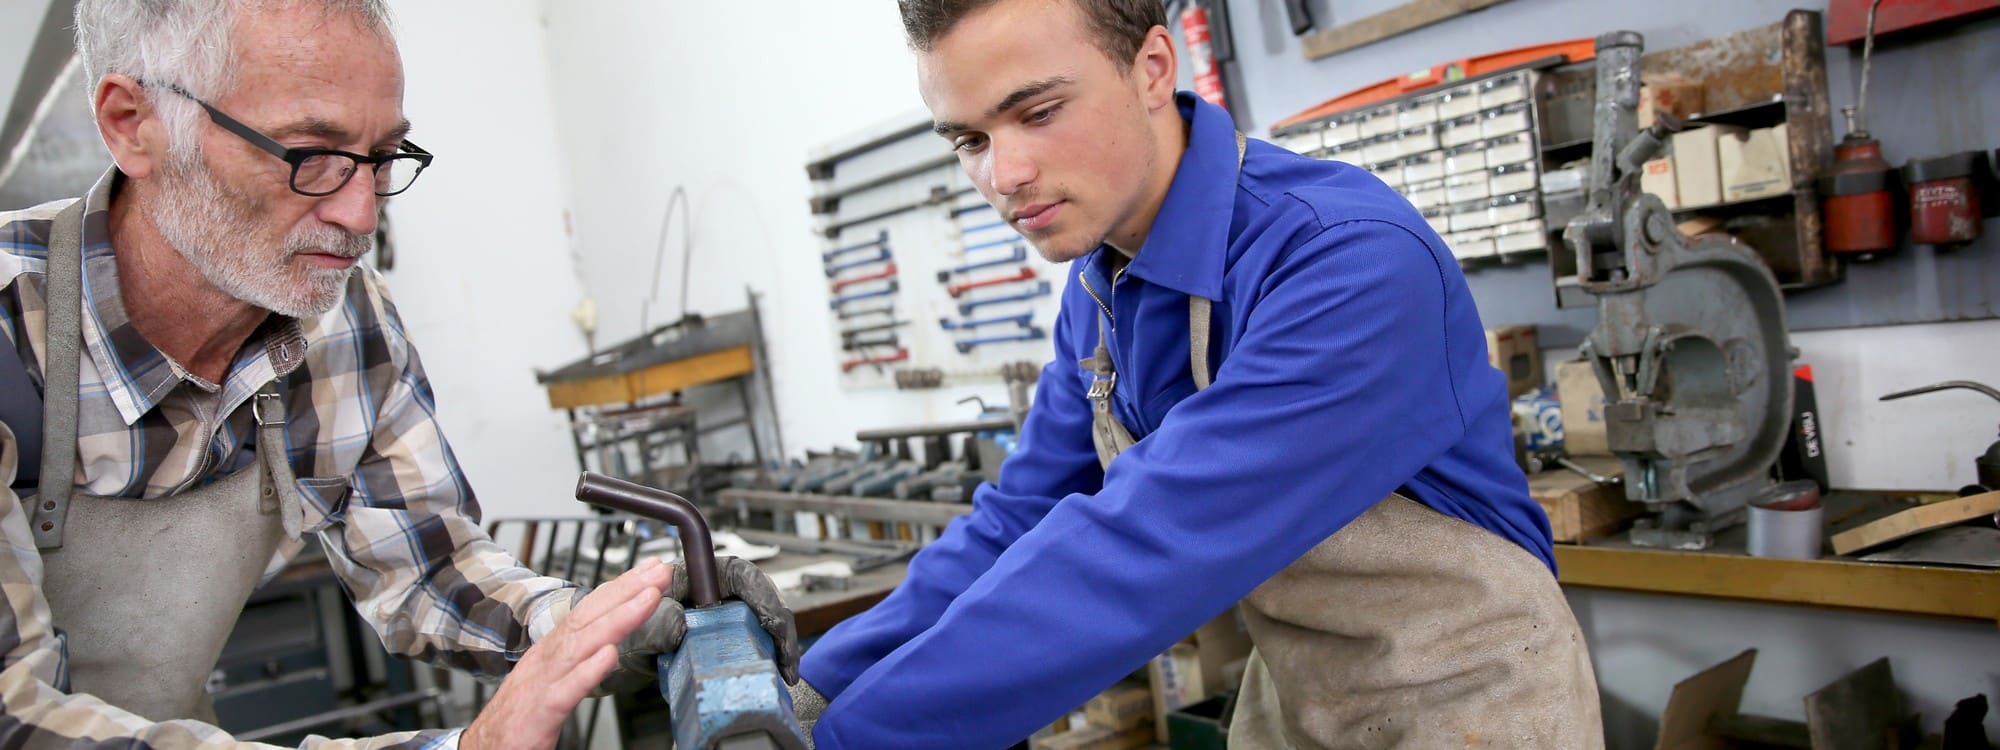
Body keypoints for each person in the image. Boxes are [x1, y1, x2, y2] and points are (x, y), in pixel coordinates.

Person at [788, 1, 1604, 747]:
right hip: (1297, 700)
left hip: (1471, 704)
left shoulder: (1348, 263)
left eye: (1037, 113)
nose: (1004, 176)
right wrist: (810, 689)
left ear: (1152, 68)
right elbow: (1021, 523)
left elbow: (1149, 548)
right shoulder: (1100, 289)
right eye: (970, 141)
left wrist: (851, 740)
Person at [0, 1, 794, 746]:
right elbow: (16, 722)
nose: (361, 215)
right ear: (132, 124)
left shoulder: (339, 316)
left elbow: (430, 567)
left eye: (381, 158)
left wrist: (598, 625)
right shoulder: (11, 331)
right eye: (310, 156)